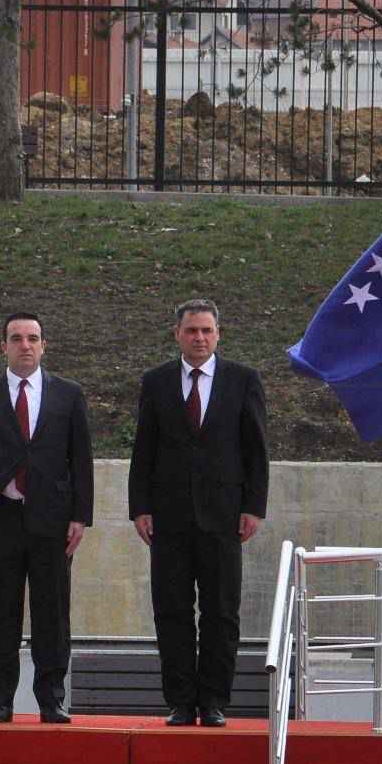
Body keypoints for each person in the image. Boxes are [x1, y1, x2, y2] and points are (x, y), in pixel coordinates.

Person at [127, 298, 269, 727]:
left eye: (207, 330)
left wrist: (253, 507)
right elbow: (143, 449)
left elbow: (256, 451)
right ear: (178, 334)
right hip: (167, 519)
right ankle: (181, 701)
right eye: (192, 331)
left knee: (221, 612)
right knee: (171, 611)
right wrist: (140, 508)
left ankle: (214, 701)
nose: (200, 338)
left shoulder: (242, 381)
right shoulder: (156, 382)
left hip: (224, 517)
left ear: (218, 334)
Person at [0, 312, 94, 724]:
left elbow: (81, 460)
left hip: (52, 521)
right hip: (1, 518)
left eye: (33, 338)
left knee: (52, 612)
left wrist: (80, 517)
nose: (25, 345)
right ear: (3, 346)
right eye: (16, 338)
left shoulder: (68, 396)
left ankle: (52, 699)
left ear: (44, 345)